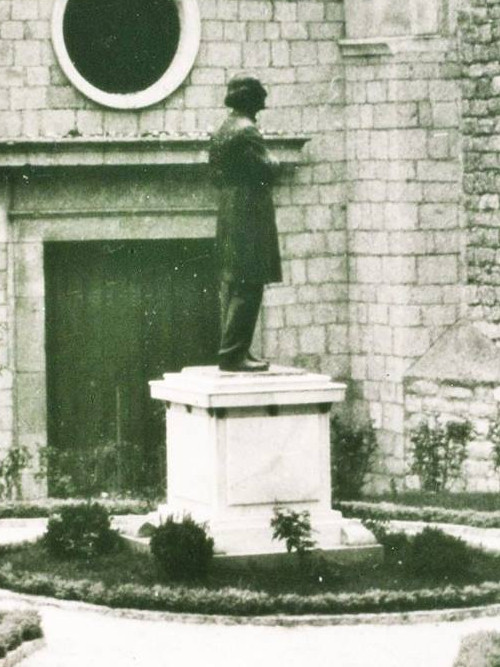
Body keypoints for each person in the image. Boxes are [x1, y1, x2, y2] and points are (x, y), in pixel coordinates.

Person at [209, 75, 282, 372]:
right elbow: (270, 168)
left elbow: (214, 174)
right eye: (260, 96)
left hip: (230, 209)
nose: (264, 101)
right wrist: (275, 162)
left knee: (237, 282)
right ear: (250, 98)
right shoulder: (247, 131)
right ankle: (232, 353)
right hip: (249, 213)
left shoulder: (223, 129)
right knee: (249, 283)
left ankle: (238, 349)